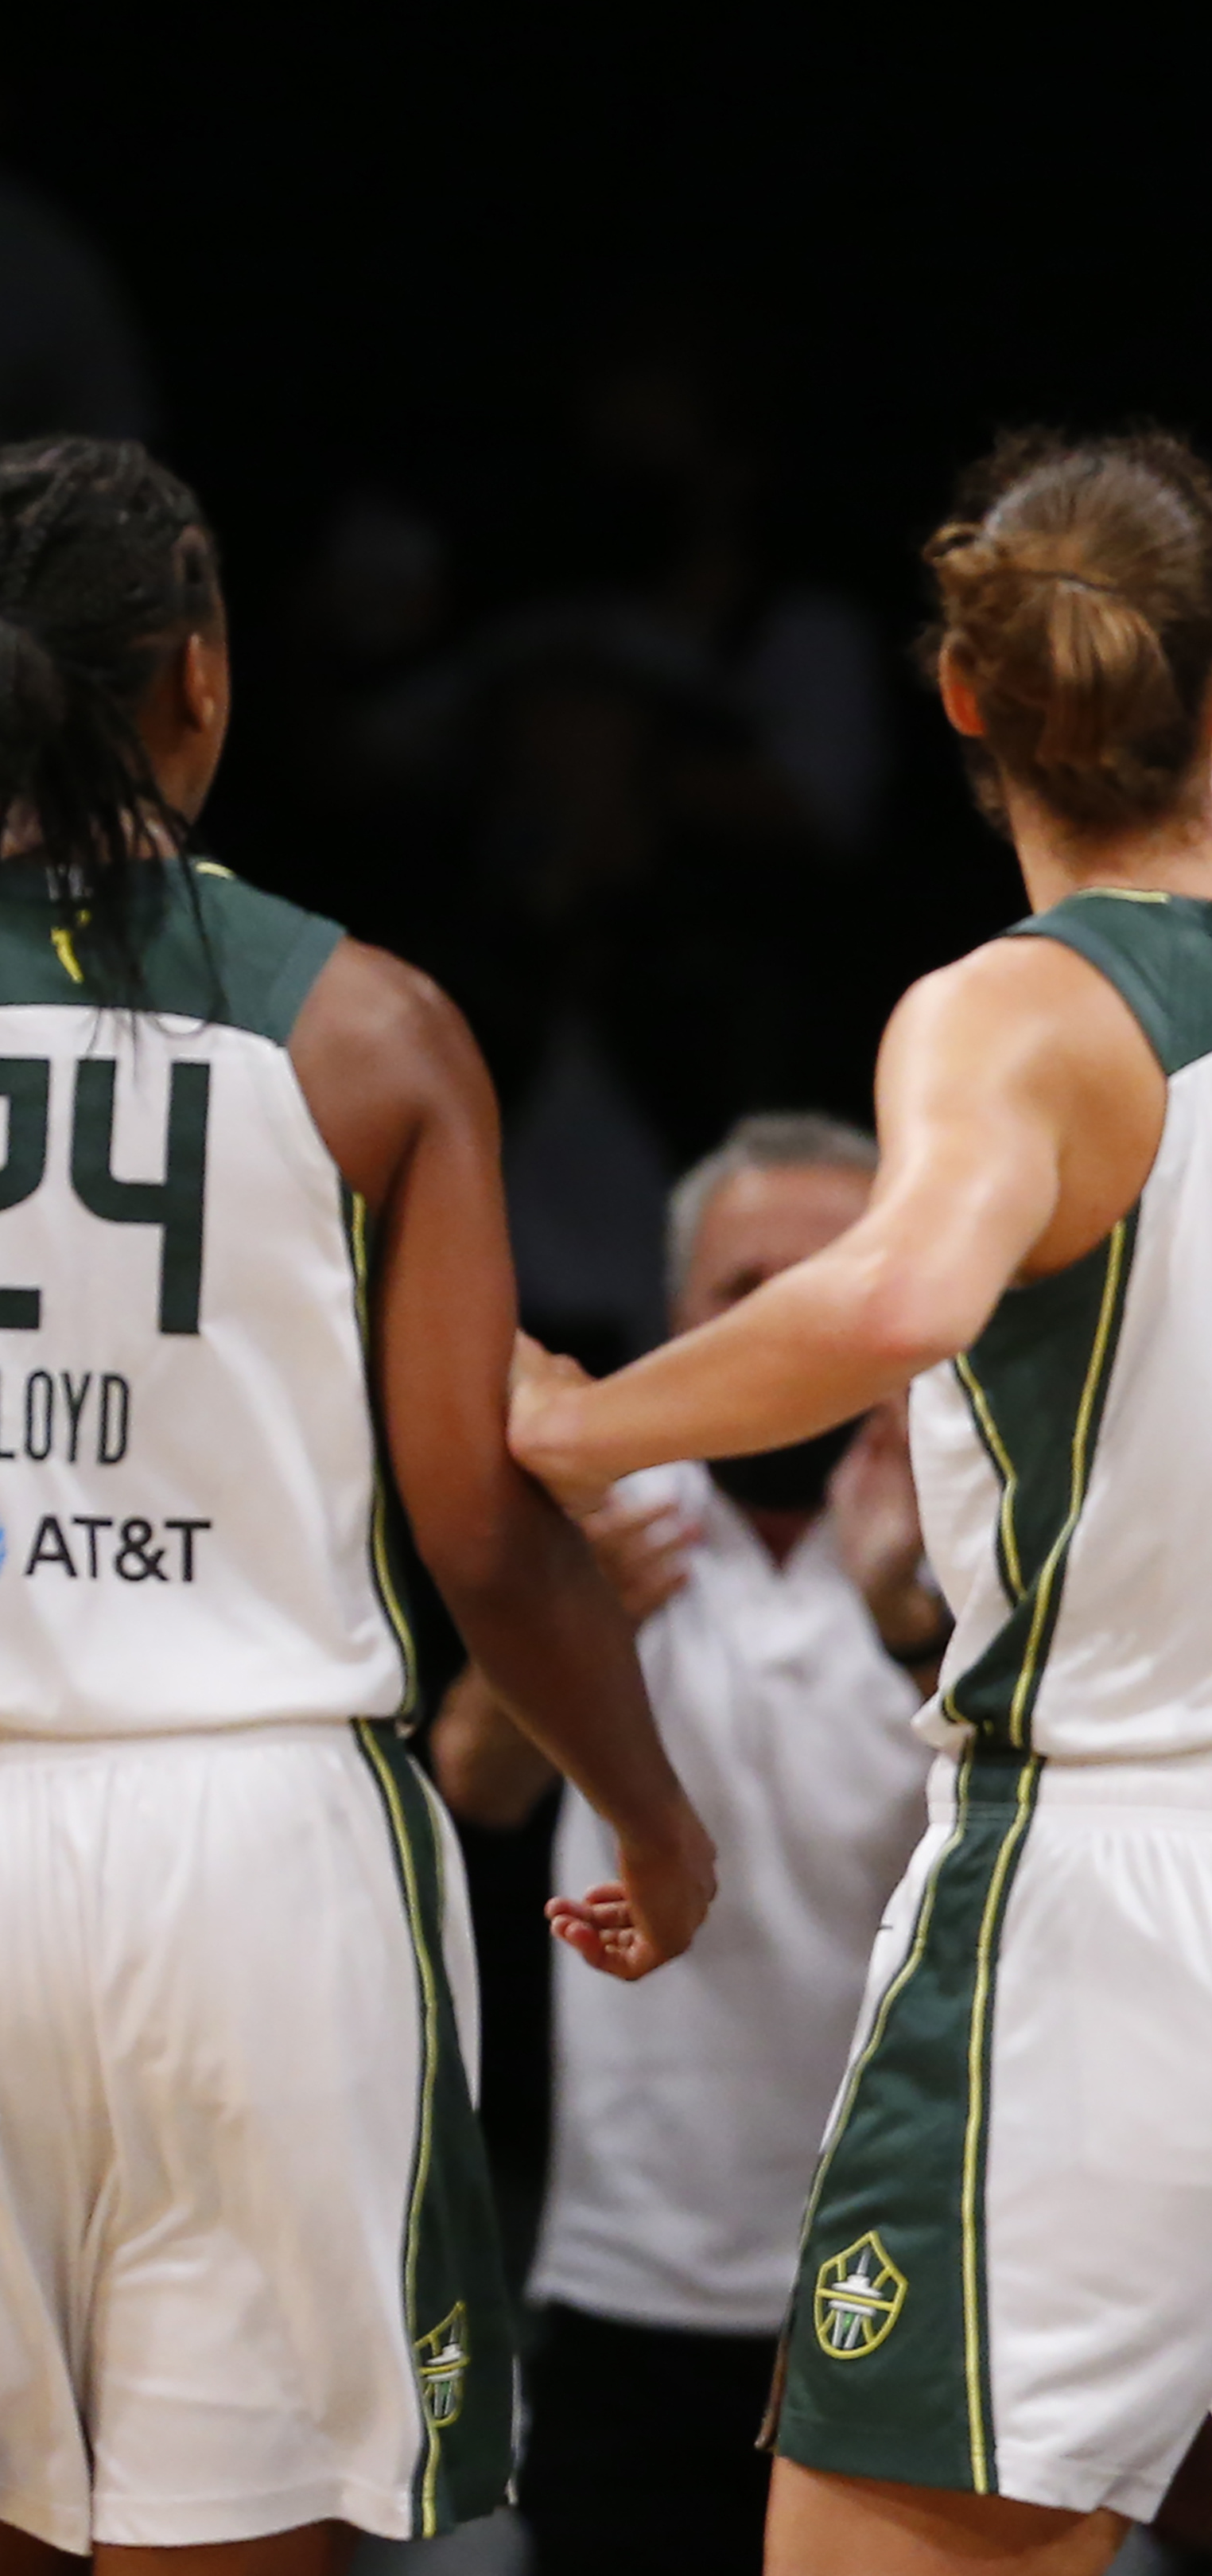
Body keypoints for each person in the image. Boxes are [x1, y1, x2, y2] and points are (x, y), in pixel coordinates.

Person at [508, 232, 1212, 2576]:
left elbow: (892, 1293)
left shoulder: (1017, 1010)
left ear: (961, 712)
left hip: (1131, 1904)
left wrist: (580, 1428)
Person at [0, 438, 711, 2572]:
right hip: (254, 1854)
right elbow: (484, 1528)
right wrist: (655, 1818)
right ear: (200, 682)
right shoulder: (373, 1030)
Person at [433, 1111, 938, 2576]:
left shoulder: (988, 1524)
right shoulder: (600, 1514)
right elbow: (472, 1772)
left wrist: (922, 1628)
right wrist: (564, 1637)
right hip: (630, 2273)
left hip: (902, 2262)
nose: (785, 1314)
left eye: (831, 1273)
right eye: (742, 1288)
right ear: (675, 1316)